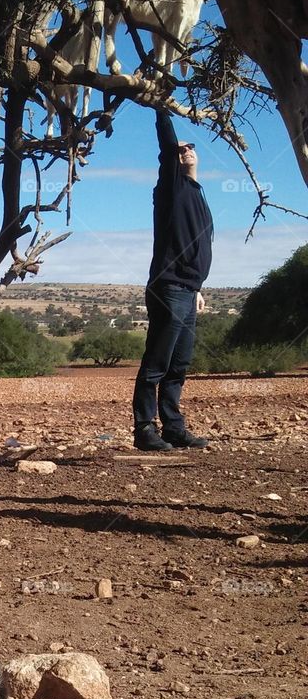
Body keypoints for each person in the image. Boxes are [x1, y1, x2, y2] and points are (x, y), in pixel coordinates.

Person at [132, 109, 214, 451]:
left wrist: (197, 288)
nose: (186, 151)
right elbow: (167, 148)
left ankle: (173, 428)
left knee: (179, 362)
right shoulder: (172, 187)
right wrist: (161, 109)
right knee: (157, 361)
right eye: (180, 150)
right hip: (169, 286)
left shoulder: (197, 192)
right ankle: (145, 429)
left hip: (187, 289)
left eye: (190, 147)